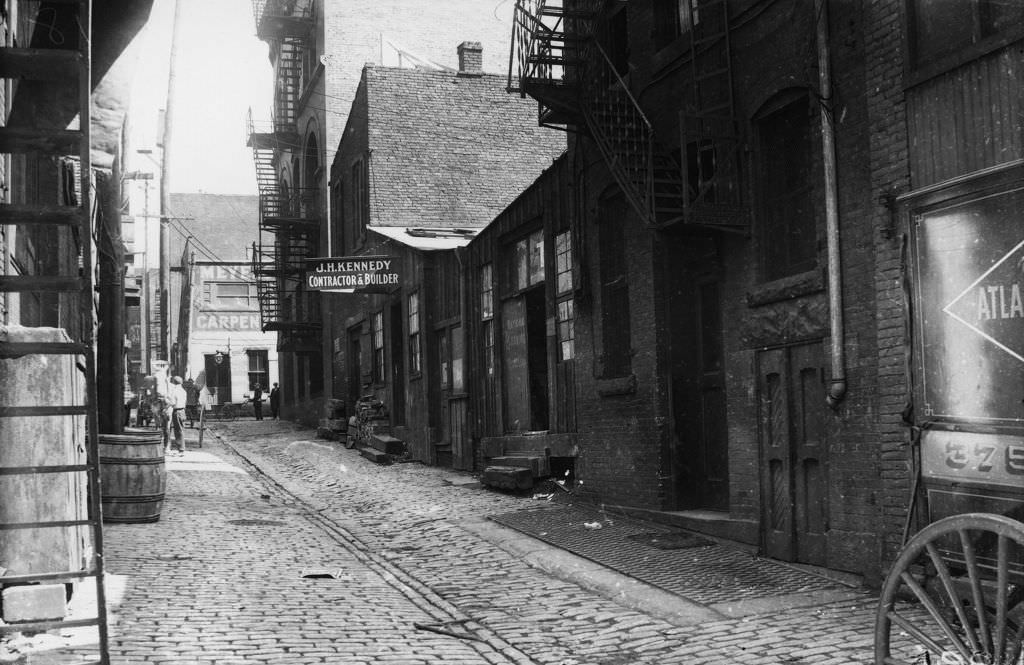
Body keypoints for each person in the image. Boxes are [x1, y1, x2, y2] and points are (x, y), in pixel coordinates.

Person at [163, 376, 188, 456]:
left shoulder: (175, 391)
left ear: (174, 383)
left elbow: (173, 403)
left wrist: (166, 406)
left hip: (176, 411)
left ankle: (181, 450)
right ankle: (181, 449)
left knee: (178, 431)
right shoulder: (183, 391)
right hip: (182, 411)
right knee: (180, 430)